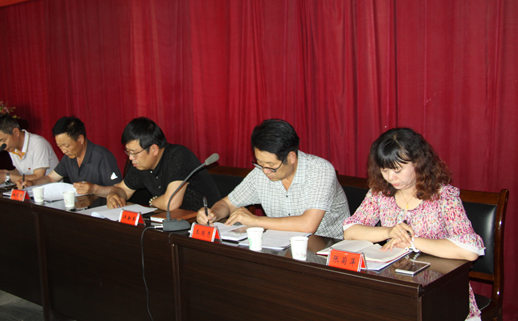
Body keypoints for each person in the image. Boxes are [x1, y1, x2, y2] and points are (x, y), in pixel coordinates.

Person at [343, 127, 484, 320]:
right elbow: (350, 231)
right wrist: (390, 232)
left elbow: (470, 250)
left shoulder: (443, 196)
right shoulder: (381, 193)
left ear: (418, 162)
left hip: (442, 290)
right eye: (384, 170)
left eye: (397, 170)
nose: (390, 178)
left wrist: (412, 241)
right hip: (397, 288)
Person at [197, 119, 349, 238]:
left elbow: (308, 225)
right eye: (260, 163)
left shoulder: (320, 170)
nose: (265, 171)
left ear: (291, 157)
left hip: (327, 249)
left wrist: (254, 221)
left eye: (271, 166)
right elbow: (227, 203)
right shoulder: (260, 173)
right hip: (282, 247)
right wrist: (214, 213)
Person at [87, 117, 220, 211]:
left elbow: (170, 203)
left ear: (154, 149)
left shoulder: (178, 156)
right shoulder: (141, 164)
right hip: (176, 221)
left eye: (134, 152)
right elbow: (123, 189)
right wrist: (114, 195)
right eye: (128, 152)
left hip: (208, 223)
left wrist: (152, 201)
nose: (131, 158)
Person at [17, 116, 122, 192]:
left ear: (80, 139)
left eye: (66, 145)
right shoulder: (69, 157)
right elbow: (51, 178)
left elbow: (118, 189)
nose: (63, 151)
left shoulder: (101, 156)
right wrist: (33, 183)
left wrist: (94, 189)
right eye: (59, 146)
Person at [0, 114, 59, 185]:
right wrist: (7, 173)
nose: (0, 146)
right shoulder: (12, 147)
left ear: (16, 132)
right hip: (29, 188)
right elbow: (22, 172)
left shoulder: (38, 143)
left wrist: (7, 177)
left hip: (50, 189)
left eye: (3, 140)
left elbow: (38, 177)